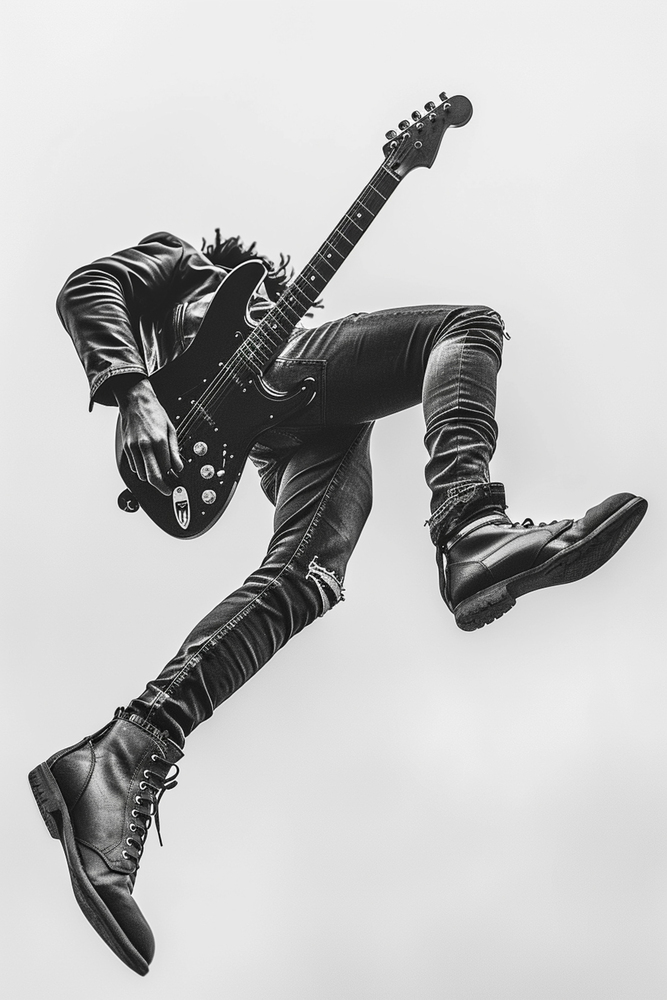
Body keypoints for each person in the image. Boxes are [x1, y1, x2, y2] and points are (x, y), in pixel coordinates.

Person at [29, 230, 647, 976]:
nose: (266, 297)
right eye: (255, 291)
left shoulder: (295, 330)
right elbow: (89, 285)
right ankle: (469, 526)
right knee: (464, 326)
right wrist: (133, 393)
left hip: (302, 419)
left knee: (305, 579)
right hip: (246, 398)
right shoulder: (186, 263)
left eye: (275, 299)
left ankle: (118, 757)